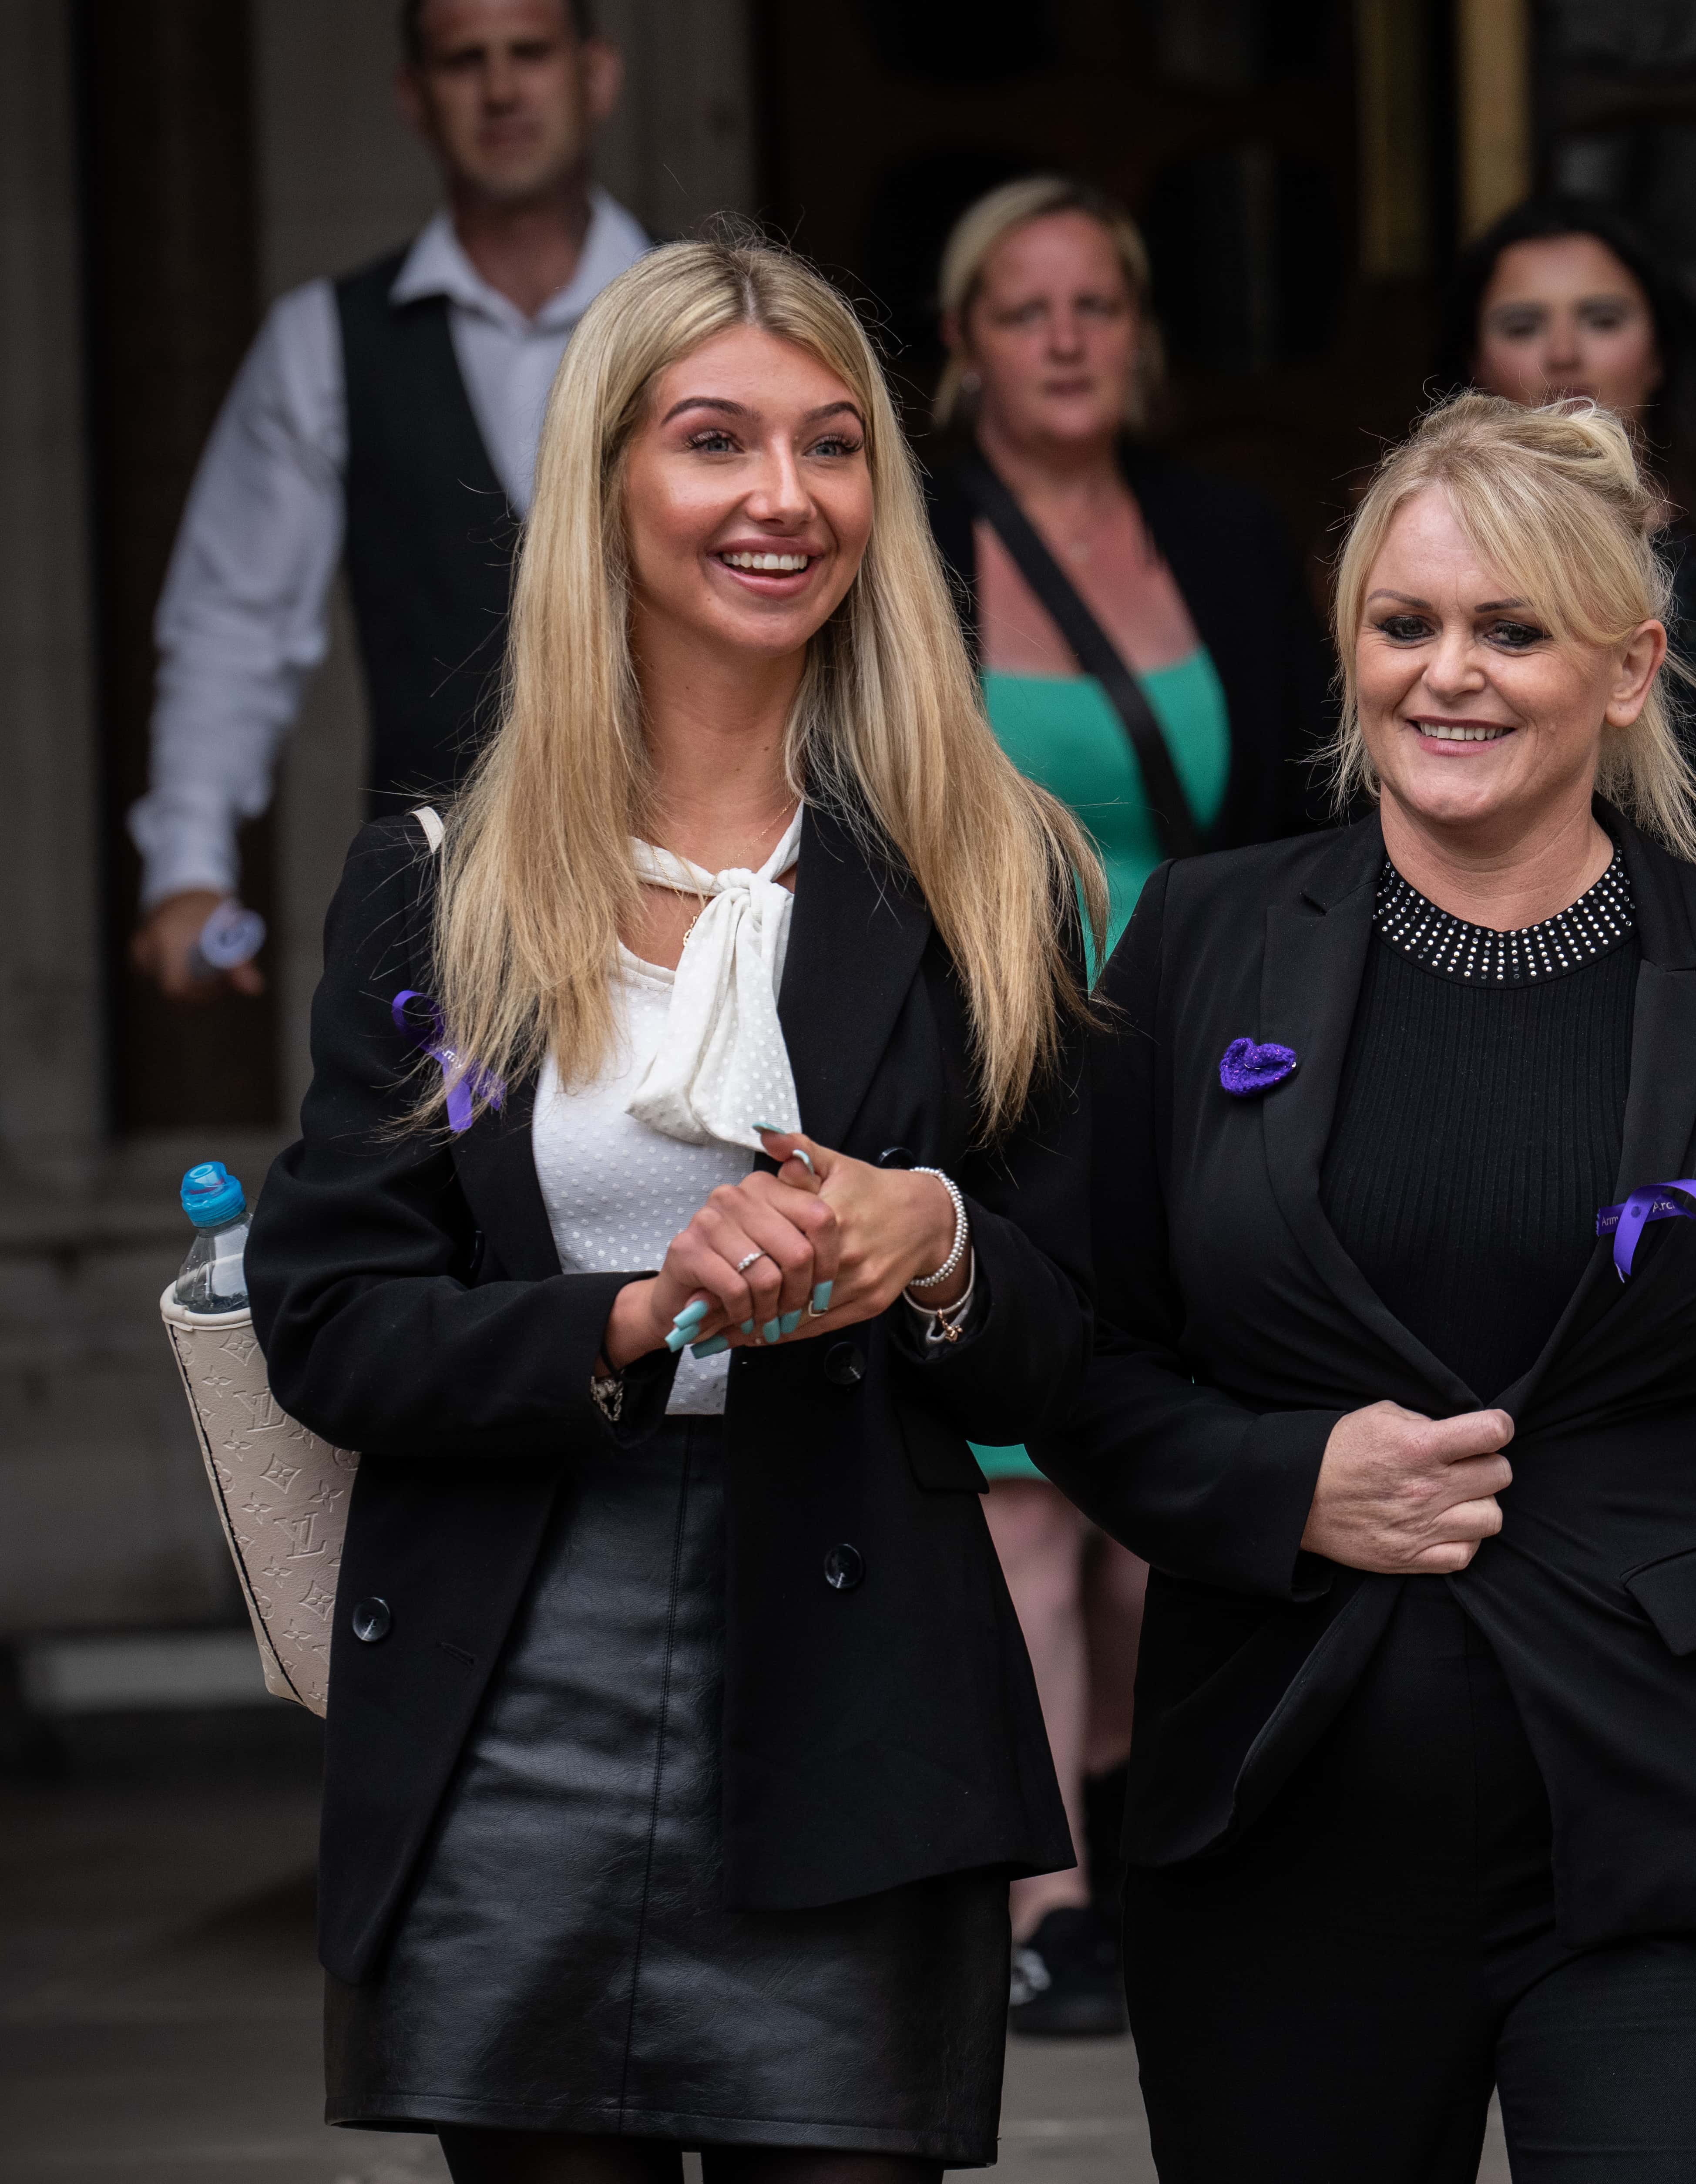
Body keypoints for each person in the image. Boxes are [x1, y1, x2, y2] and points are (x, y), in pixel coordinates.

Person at [1029, 393, 1696, 2181]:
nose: (1448, 675)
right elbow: (1079, 1356)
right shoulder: (1202, 946)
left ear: (1625, 668)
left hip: (1682, 1836)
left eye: (1510, 629)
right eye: (1404, 625)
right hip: (1290, 1832)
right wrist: (1284, 1487)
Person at [245, 232, 1106, 2181]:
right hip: (510, 1692)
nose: (780, 500)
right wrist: (632, 1317)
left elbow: (1098, 1324)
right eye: (715, 442)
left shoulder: (990, 873)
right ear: (609, 483)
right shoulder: (441, 889)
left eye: (830, 446)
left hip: (858, 1682)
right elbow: (330, 1319)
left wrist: (939, 1243)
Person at [916, 172, 1334, 2036]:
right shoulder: (914, 536)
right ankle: (1045, 1899)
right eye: (1026, 309)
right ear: (962, 350)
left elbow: (1317, 795)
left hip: (1211, 1047)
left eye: (1097, 305)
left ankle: (1169, 1845)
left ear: (1141, 337)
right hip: (993, 1045)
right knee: (1018, 1484)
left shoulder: (1230, 536)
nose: (1067, 337)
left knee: (1177, 1467)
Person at [128, 0, 652, 1001]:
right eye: (465, 63)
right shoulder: (327, 342)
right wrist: (189, 866)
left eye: (529, 54)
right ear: (414, 97)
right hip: (443, 914)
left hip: (705, 890)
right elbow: (235, 618)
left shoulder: (709, 315)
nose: (500, 90)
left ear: (596, 77)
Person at [1447, 193, 1696, 877]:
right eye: (1522, 326)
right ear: (1476, 364)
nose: (1565, 355)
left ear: (1659, 352)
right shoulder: (1414, 550)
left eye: (1603, 320)